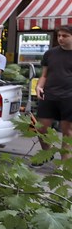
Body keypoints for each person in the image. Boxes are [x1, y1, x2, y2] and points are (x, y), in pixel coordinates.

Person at [35, 25, 72, 161]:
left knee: (67, 132)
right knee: (41, 129)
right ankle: (48, 153)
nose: (61, 38)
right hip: (49, 94)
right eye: (59, 36)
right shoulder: (50, 53)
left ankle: (64, 165)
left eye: (65, 36)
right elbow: (44, 75)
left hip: (69, 97)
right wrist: (39, 86)